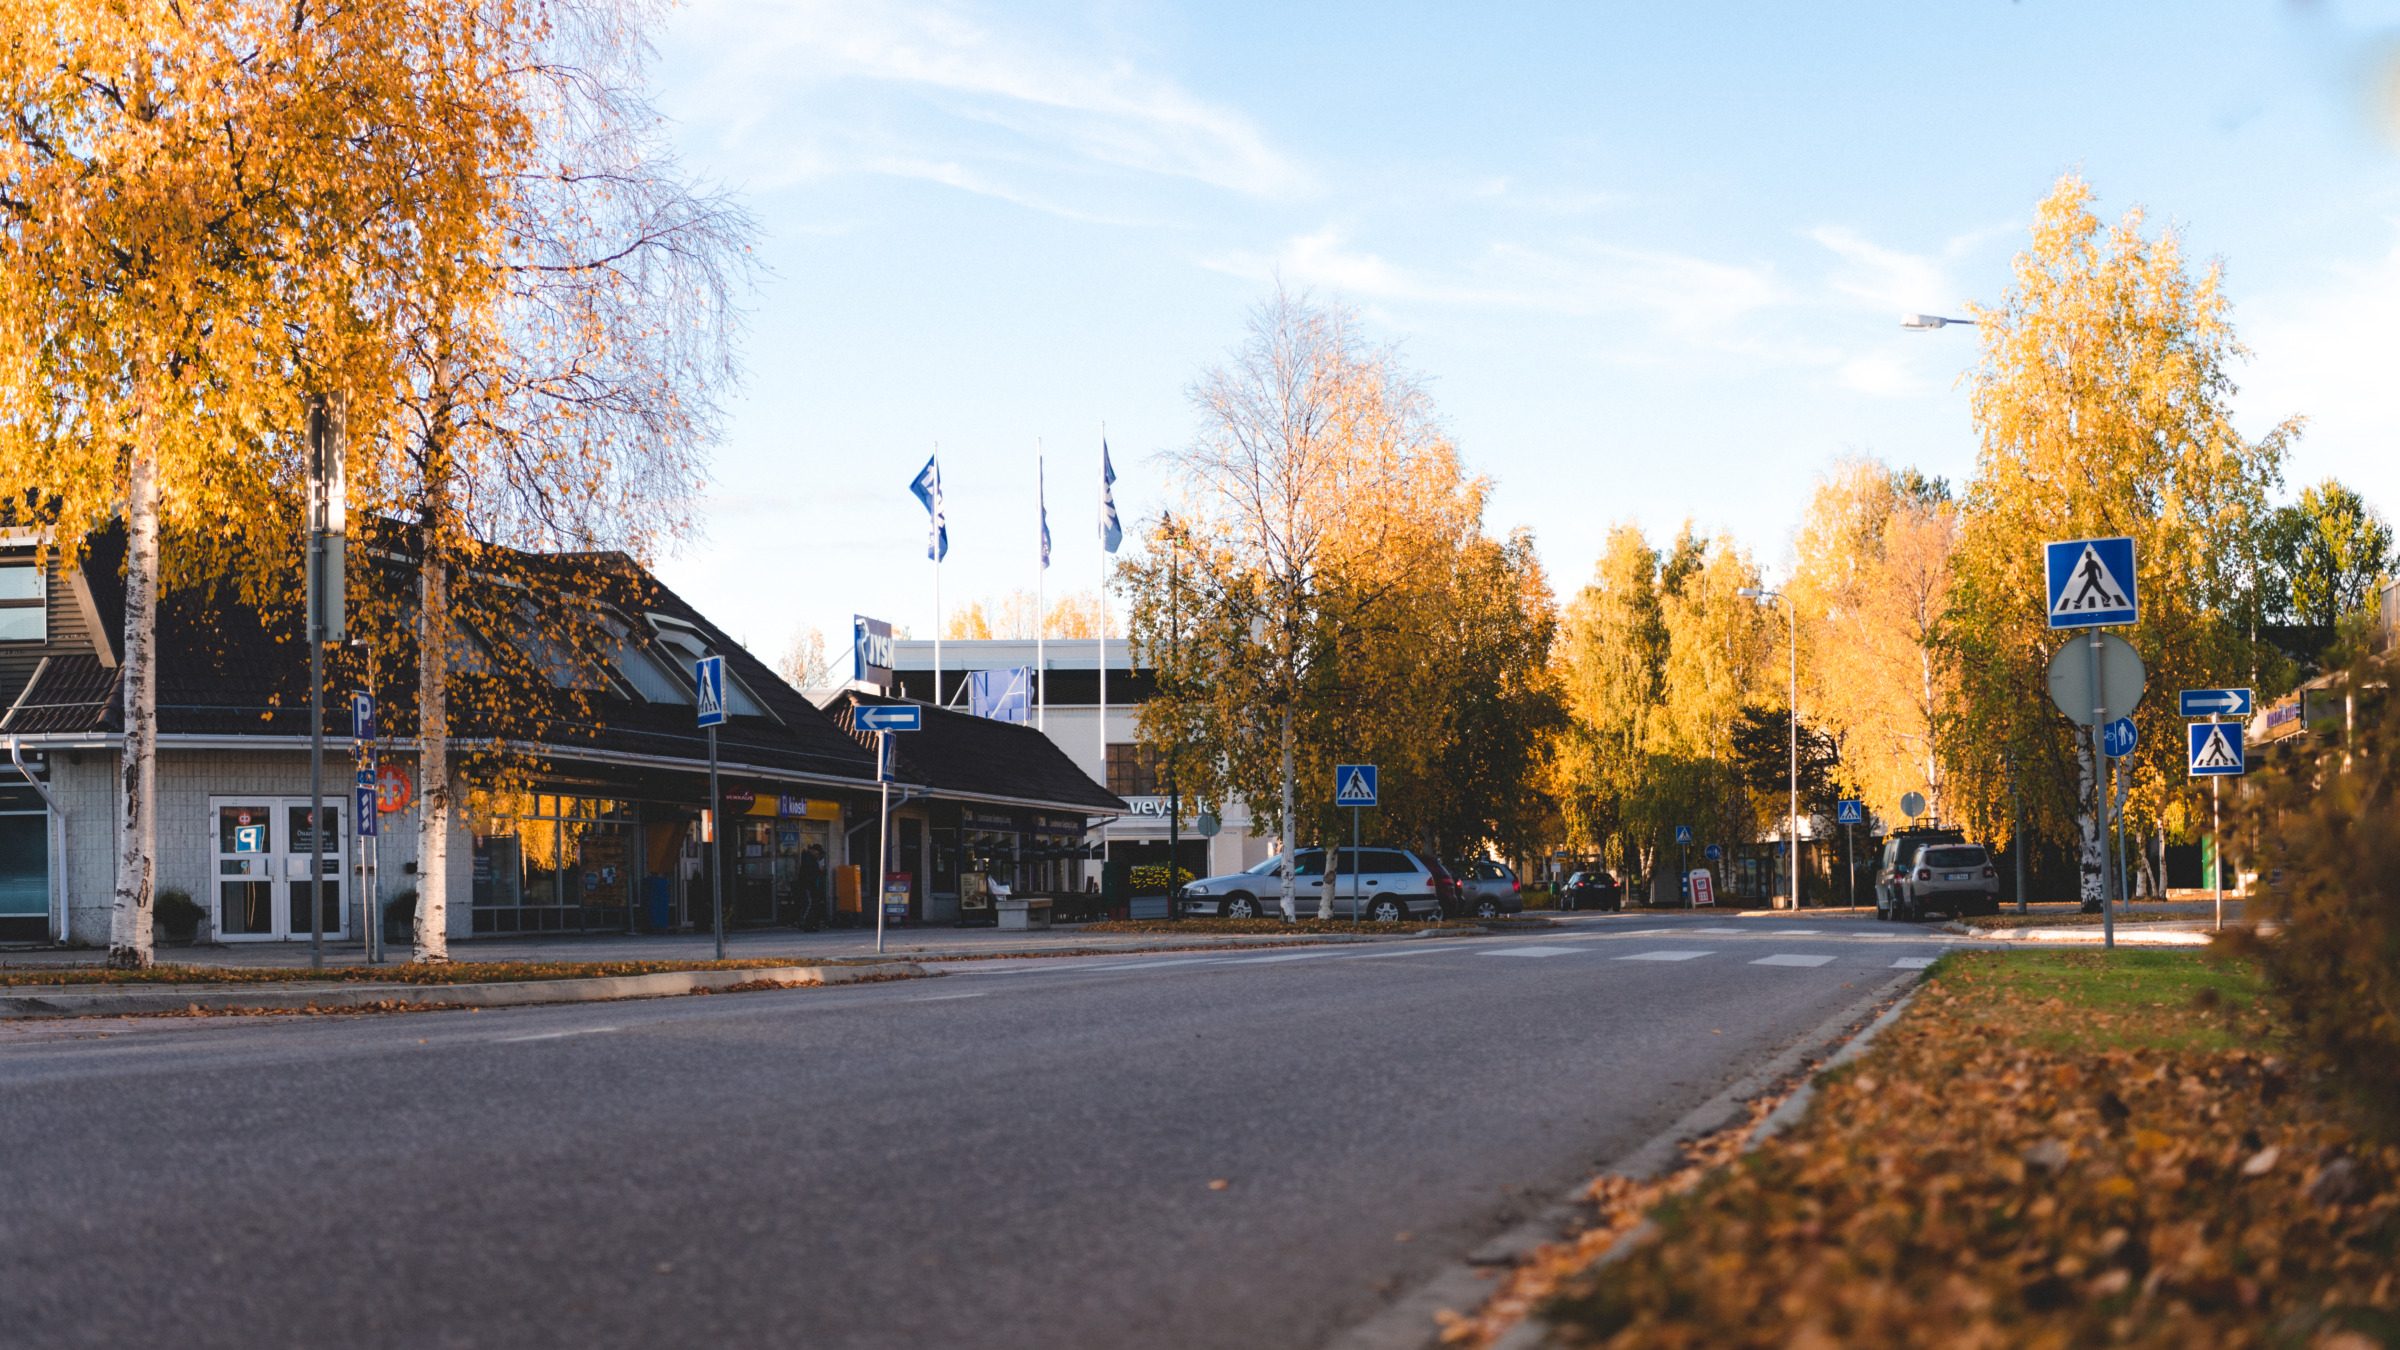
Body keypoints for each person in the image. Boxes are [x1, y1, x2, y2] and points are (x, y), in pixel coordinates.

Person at [796, 843, 828, 931]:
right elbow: (809, 872)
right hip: (807, 885)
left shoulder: (809, 858)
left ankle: (810, 923)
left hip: (809, 885)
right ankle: (806, 923)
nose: (818, 855)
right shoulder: (808, 858)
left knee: (811, 904)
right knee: (809, 904)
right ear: (813, 851)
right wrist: (819, 871)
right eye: (817, 853)